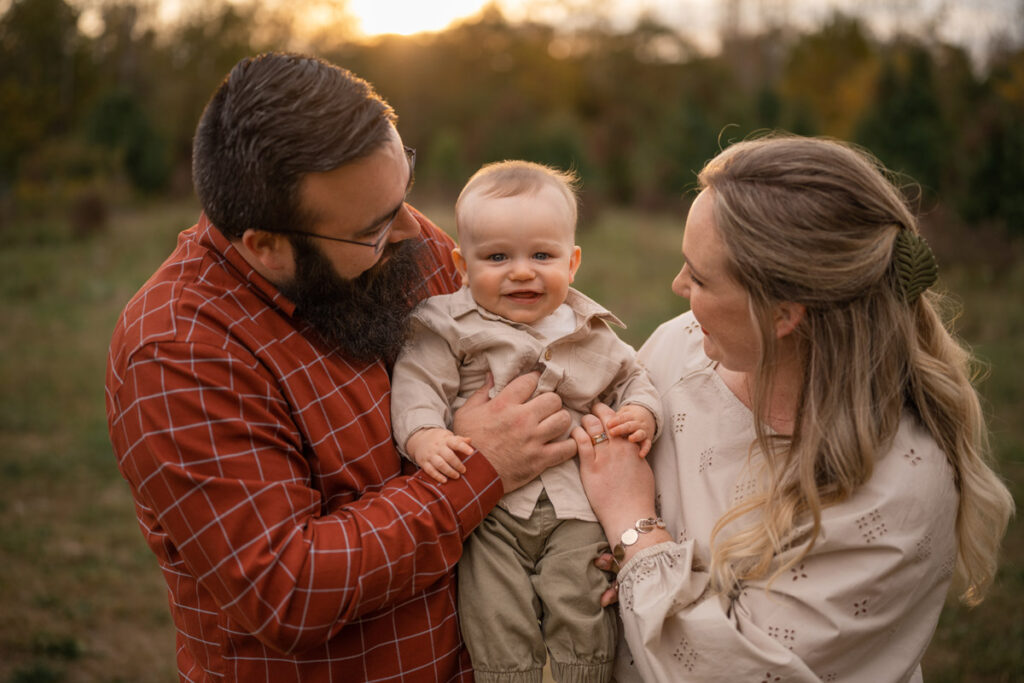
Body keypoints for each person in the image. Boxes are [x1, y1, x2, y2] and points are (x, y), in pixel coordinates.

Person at [104, 52, 578, 682]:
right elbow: (289, 590)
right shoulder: (178, 354)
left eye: (403, 191)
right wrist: (479, 465)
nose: (417, 232)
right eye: (374, 229)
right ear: (267, 246)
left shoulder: (410, 249)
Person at [572, 134, 1015, 682]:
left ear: (783, 314)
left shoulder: (897, 489)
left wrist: (633, 529)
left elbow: (731, 671)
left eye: (701, 277)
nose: (678, 284)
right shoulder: (678, 348)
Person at [390, 160, 661, 683]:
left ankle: (584, 673)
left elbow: (634, 378)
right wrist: (423, 433)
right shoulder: (447, 323)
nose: (521, 271)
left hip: (576, 504)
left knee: (581, 595)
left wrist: (640, 412)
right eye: (497, 257)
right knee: (494, 605)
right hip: (489, 509)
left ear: (572, 261)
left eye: (542, 255)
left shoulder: (593, 332)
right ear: (461, 265)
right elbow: (418, 382)